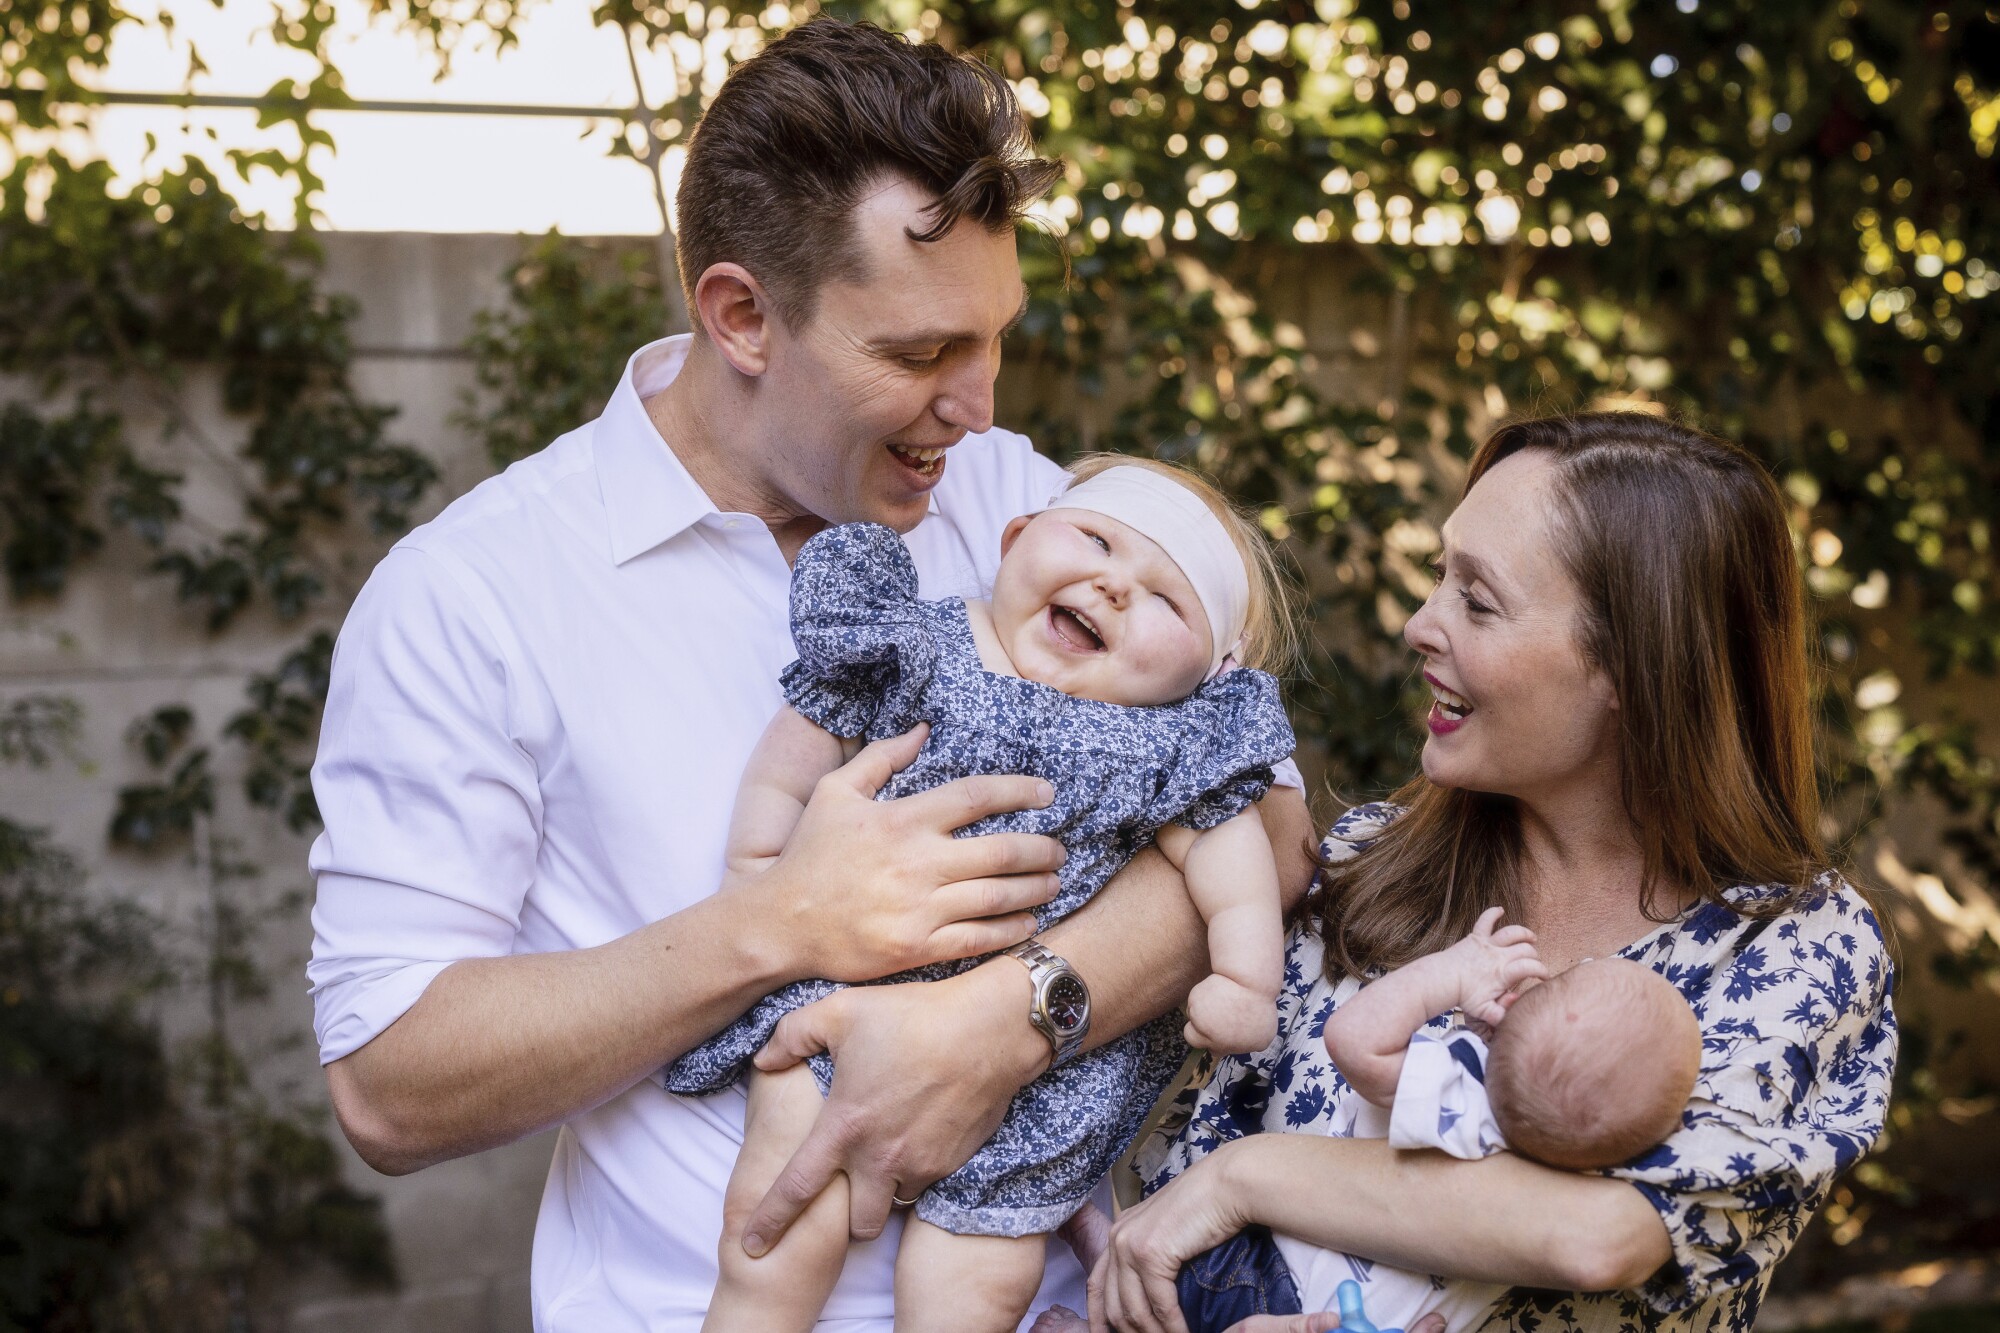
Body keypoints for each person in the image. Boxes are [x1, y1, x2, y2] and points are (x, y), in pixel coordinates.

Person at [304, 18, 1316, 1331]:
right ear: (740, 315)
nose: (978, 404)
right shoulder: (474, 596)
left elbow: (1272, 830)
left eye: (993, 336)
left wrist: (1012, 1017)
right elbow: (390, 1082)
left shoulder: (1015, 509)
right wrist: (774, 925)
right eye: (918, 355)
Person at [1054, 413, 1898, 1333]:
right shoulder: (1367, 863)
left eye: (1479, 601)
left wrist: (1246, 1180)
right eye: (1438, 578)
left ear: (1634, 666)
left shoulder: (1797, 946)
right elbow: (1169, 1202)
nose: (1422, 625)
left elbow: (1604, 1233)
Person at [684, 456, 1297, 1333]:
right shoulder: (920, 645)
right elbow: (795, 760)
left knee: (975, 1283)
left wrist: (1246, 980)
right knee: (779, 1215)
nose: (1116, 585)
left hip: (1044, 1084)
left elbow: (1235, 871)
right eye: (1096, 539)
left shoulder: (1168, 747)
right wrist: (758, 876)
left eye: (1169, 598)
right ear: (1014, 542)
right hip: (845, 996)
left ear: (1211, 676)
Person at [1131, 906, 1700, 1333]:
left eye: (1569, 978)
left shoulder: (1464, 1093)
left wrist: (1453, 975)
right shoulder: (1569, 1177)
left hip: (1266, 1286)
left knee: (1150, 1290)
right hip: (1359, 1321)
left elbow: (1352, 1040)